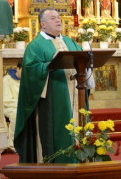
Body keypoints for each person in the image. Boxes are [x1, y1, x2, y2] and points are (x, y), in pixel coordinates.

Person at [14, 8, 95, 163]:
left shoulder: (69, 41)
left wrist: (89, 62)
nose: (58, 20)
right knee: (58, 135)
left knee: (78, 131)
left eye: (58, 17)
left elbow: (83, 60)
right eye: (53, 18)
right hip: (53, 100)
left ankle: (81, 162)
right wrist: (47, 67)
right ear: (43, 24)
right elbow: (30, 72)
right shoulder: (36, 46)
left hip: (75, 95)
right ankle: (57, 167)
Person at [3, 61, 22, 153]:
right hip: (8, 107)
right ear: (17, 69)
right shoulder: (7, 79)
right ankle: (13, 144)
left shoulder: (27, 79)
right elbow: (6, 100)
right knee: (15, 114)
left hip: (22, 106)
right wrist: (22, 105)